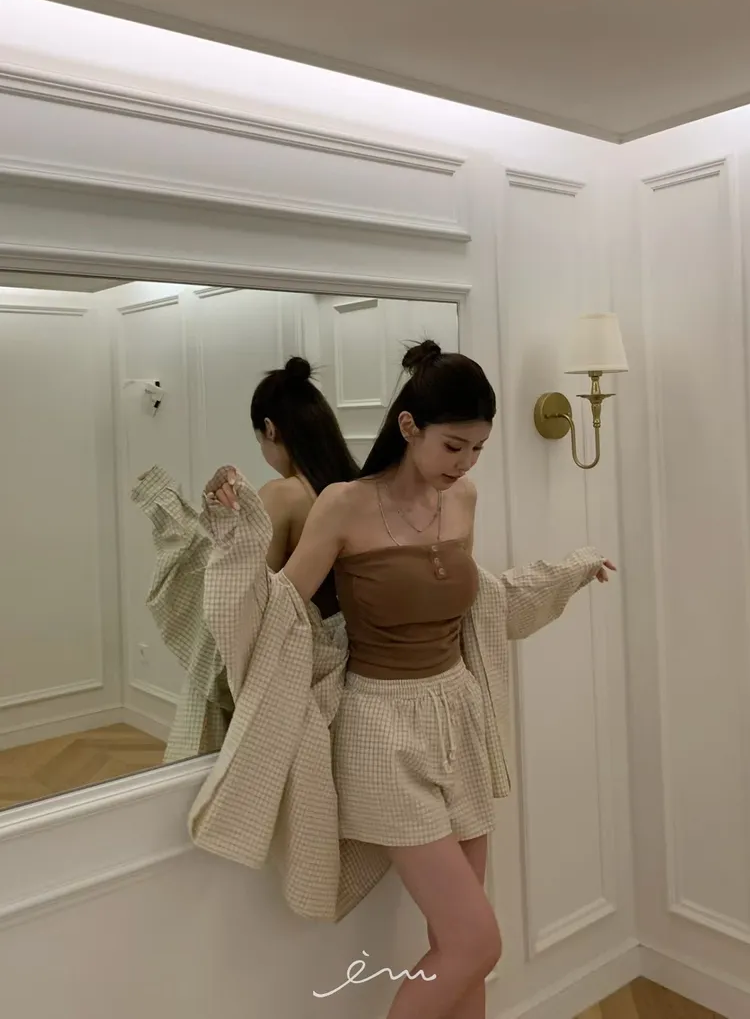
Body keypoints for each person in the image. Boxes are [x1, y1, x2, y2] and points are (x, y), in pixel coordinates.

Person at [213, 339, 614, 1019]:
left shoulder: (464, 500)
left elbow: (479, 600)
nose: (466, 463)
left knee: (457, 946)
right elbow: (279, 611)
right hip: (381, 731)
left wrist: (568, 572)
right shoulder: (342, 504)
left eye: (478, 448)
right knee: (477, 941)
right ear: (409, 427)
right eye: (454, 446)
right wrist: (234, 535)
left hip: (461, 716)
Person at [248, 355, 360, 618]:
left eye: (259, 440)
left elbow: (252, 600)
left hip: (306, 639)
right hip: (357, 635)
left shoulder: (281, 496)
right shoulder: (357, 486)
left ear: (270, 429)